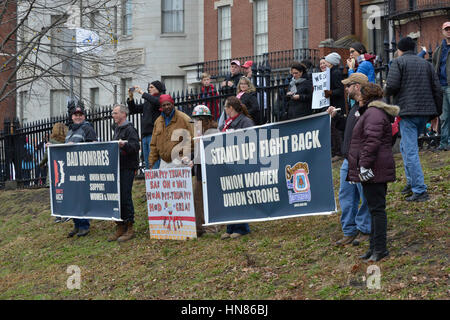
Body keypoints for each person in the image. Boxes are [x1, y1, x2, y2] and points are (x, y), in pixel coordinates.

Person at [385, 36, 443, 202]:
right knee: (405, 147)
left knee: (410, 151)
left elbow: (392, 85)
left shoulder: (398, 62)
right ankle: (411, 183)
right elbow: (437, 90)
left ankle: (420, 189)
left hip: (407, 112)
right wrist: (435, 114)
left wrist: (384, 94)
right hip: (424, 112)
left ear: (400, 49)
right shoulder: (426, 64)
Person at [347, 82, 399, 262]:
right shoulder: (372, 112)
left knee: (377, 210)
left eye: (361, 94)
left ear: (367, 96)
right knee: (373, 209)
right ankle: (373, 248)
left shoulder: (373, 113)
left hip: (375, 167)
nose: (358, 97)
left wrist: (364, 165)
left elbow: (372, 142)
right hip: (375, 167)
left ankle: (380, 249)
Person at [328, 73, 371, 247]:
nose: (346, 89)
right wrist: (335, 118)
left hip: (361, 160)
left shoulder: (370, 108)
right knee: (346, 196)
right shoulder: (354, 107)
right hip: (348, 159)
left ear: (357, 87)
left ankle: (365, 230)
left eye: (348, 85)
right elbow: (347, 128)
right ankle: (349, 231)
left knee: (364, 195)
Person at [219, 96, 254, 240]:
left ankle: (242, 227)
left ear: (230, 108)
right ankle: (230, 227)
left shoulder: (245, 122)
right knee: (230, 195)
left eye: (226, 107)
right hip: (229, 162)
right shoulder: (227, 123)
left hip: (240, 162)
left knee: (240, 195)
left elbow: (251, 140)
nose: (225, 110)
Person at [183, 105, 220, 237]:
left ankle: (211, 228)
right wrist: (190, 157)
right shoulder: (198, 133)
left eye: (198, 120)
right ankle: (199, 228)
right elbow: (198, 151)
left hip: (210, 172)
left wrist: (197, 160)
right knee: (197, 200)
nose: (195, 124)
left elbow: (213, 153)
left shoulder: (214, 132)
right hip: (199, 173)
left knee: (210, 200)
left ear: (205, 120)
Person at [108, 104, 140, 242]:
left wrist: (124, 145)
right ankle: (120, 225)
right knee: (117, 196)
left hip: (127, 167)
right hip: (118, 167)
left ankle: (129, 226)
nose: (113, 115)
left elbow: (135, 147)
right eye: (113, 113)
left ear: (123, 114)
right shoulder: (116, 129)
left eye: (115, 113)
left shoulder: (130, 129)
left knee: (125, 195)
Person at [65, 101, 98, 237]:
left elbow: (93, 146)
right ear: (72, 116)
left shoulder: (87, 128)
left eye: (80, 115)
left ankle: (84, 225)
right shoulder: (70, 131)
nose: (78, 117)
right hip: (71, 170)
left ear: (84, 116)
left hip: (82, 170)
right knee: (73, 198)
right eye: (75, 115)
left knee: (81, 198)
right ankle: (77, 224)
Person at [148, 94, 194, 169]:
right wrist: (151, 161)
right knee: (163, 181)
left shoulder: (184, 118)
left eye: (168, 104)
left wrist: (186, 155)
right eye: (164, 105)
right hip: (164, 162)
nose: (166, 107)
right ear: (161, 107)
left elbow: (193, 138)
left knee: (180, 181)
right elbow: (153, 144)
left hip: (180, 159)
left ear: (172, 104)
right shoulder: (158, 121)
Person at [127, 80, 165, 170]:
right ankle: (150, 182)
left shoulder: (161, 98)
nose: (149, 89)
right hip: (145, 135)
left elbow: (156, 102)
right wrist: (131, 98)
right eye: (149, 87)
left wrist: (142, 93)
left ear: (158, 89)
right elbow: (134, 110)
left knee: (154, 161)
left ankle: (157, 181)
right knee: (148, 163)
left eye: (152, 87)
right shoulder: (148, 102)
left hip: (154, 134)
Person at [322, 52, 345, 160]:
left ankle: (338, 152)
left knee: (336, 129)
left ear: (331, 62)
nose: (324, 63)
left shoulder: (335, 73)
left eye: (326, 61)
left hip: (337, 105)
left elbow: (340, 90)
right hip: (333, 104)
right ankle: (336, 151)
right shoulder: (330, 72)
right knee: (333, 129)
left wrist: (330, 92)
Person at [432, 21, 450, 151]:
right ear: (443, 31)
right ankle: (444, 143)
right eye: (447, 29)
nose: (449, 31)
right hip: (441, 86)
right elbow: (434, 68)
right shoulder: (439, 50)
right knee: (444, 116)